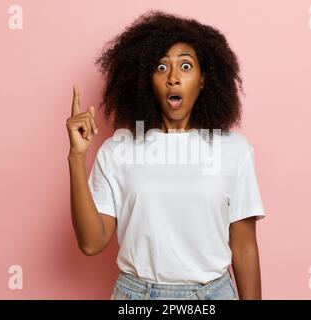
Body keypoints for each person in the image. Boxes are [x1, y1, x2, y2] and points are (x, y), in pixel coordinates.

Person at [66, 10, 266, 300]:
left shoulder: (234, 150)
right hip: (137, 297)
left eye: (185, 66)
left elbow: (244, 247)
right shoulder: (119, 150)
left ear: (203, 80)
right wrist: (76, 158)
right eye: (161, 68)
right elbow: (91, 242)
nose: (173, 78)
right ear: (147, 80)